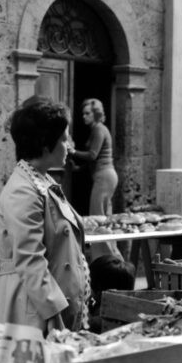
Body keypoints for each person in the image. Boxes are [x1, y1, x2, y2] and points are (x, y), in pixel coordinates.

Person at [0, 96, 90, 335]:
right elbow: (30, 260)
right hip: (34, 314)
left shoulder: (41, 180)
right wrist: (54, 313)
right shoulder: (23, 190)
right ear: (46, 144)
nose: (70, 146)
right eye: (65, 139)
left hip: (49, 307)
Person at [68, 98, 120, 259]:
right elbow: (95, 159)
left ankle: (105, 260)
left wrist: (72, 151)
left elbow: (92, 155)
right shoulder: (97, 129)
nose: (84, 116)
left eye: (87, 113)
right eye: (83, 113)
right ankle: (111, 260)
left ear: (96, 114)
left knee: (97, 218)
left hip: (104, 176)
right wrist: (79, 168)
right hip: (104, 175)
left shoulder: (99, 129)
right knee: (104, 220)